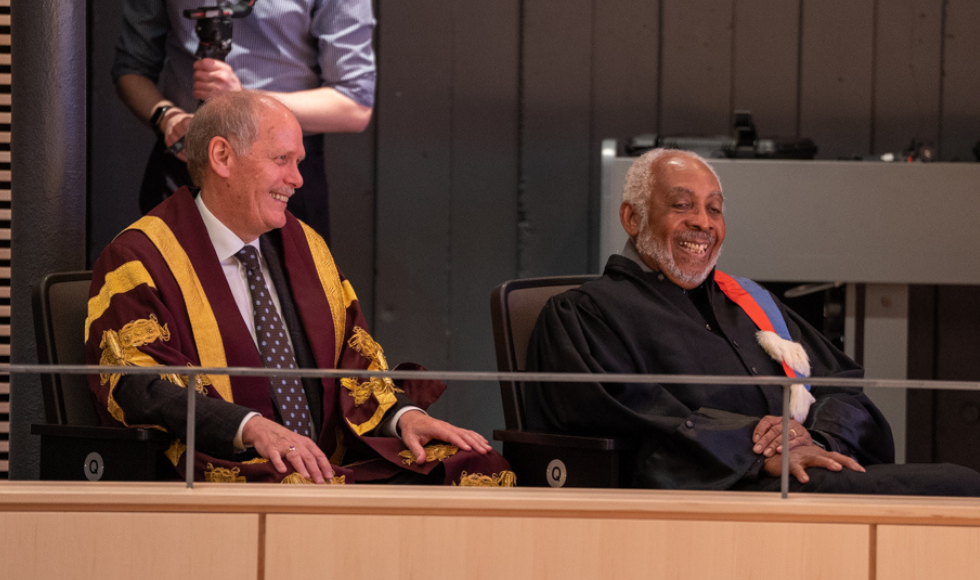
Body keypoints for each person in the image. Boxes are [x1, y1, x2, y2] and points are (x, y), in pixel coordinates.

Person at [85, 90, 512, 486]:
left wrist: (404, 417)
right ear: (222, 156)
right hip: (225, 461)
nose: (297, 179)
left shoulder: (304, 244)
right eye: (282, 159)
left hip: (327, 460)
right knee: (295, 485)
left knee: (477, 464)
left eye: (299, 162)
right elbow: (139, 384)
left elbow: (354, 359)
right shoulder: (140, 258)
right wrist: (249, 426)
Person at [525, 147, 980, 495]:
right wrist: (756, 450)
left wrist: (813, 437)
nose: (702, 223)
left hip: (797, 475)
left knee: (958, 481)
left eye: (714, 208)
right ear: (632, 217)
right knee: (957, 487)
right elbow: (632, 419)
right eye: (682, 206)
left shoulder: (747, 301)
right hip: (714, 495)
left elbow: (842, 386)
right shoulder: (587, 313)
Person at [112, 0, 375, 240]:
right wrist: (166, 117)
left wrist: (242, 100)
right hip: (187, 158)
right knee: (170, 286)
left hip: (282, 171)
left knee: (285, 288)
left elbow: (354, 105)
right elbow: (131, 69)